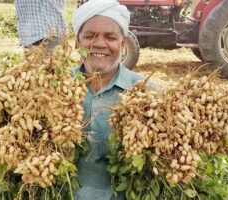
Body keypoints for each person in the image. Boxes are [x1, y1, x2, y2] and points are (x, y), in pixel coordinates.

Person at [72, 0, 150, 199]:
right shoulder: (54, 88)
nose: (99, 44)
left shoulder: (145, 92)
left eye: (110, 37)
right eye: (89, 36)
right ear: (77, 42)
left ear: (122, 44)